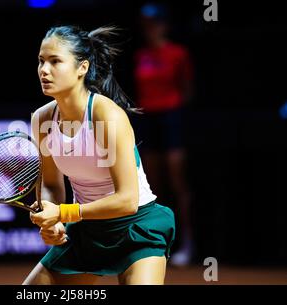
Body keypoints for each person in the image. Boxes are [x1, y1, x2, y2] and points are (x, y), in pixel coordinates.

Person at [22, 25, 175, 285]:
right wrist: (53, 220)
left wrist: (63, 213)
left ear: (82, 68)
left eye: (55, 61)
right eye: (41, 61)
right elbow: (50, 183)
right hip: (86, 232)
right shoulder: (42, 119)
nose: (44, 70)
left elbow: (127, 200)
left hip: (136, 226)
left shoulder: (106, 115)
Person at [132, 3, 195, 266]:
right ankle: (156, 245)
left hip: (171, 119)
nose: (150, 29)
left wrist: (176, 114)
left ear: (164, 25)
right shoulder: (140, 55)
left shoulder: (178, 53)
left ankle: (189, 243)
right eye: (146, 24)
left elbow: (188, 89)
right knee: (152, 187)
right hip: (149, 120)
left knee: (178, 183)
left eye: (155, 23)